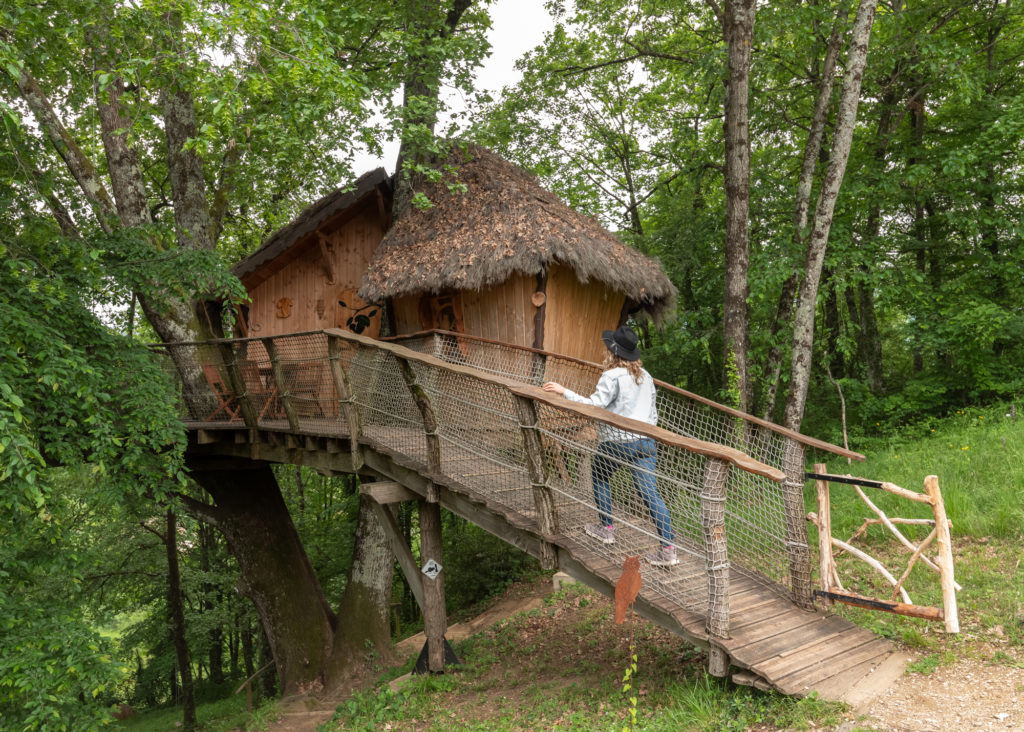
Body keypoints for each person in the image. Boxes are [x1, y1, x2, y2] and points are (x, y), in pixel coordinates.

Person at [543, 326, 678, 567]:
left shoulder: (612, 376)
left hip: (618, 441)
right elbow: (653, 413)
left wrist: (565, 392)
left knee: (600, 476)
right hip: (646, 441)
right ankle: (668, 549)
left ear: (613, 352)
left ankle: (606, 529)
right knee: (650, 494)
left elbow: (595, 405)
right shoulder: (646, 377)